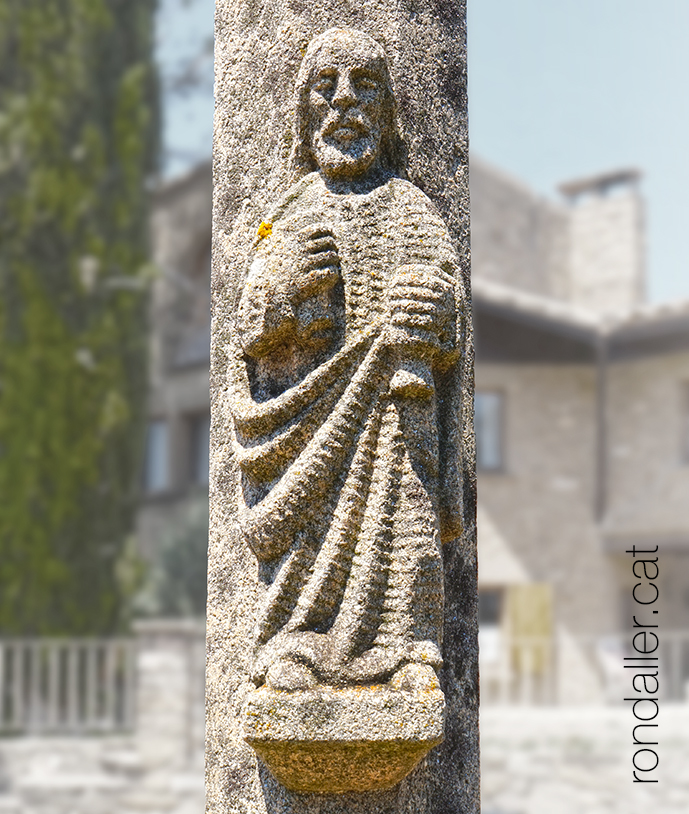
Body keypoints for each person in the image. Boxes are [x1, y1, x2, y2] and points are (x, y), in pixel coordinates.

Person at [229, 27, 466, 692]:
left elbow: (449, 327)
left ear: (387, 112)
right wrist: (280, 290)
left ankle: (409, 650)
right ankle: (292, 645)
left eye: (363, 86)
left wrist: (435, 315)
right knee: (308, 536)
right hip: (309, 423)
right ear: (302, 113)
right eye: (324, 88)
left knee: (405, 526)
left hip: (396, 420)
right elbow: (249, 334)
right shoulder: (290, 211)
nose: (343, 101)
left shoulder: (411, 206)